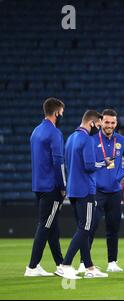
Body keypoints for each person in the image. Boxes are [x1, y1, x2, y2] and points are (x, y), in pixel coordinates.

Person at [76, 109, 124, 273]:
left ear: (116, 123)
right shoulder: (91, 140)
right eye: (107, 122)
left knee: (113, 228)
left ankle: (112, 262)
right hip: (95, 191)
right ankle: (83, 262)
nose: (110, 125)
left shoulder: (121, 141)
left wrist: (121, 174)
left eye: (113, 123)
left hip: (115, 192)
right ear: (101, 122)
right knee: (90, 227)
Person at [55, 110, 108, 279]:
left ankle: (89, 267)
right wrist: (104, 163)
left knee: (83, 227)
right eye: (98, 125)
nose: (99, 129)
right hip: (86, 189)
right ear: (91, 123)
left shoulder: (71, 138)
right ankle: (66, 264)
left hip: (73, 189)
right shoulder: (86, 139)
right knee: (85, 227)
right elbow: (89, 166)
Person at [25, 98, 66, 277]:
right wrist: (63, 186)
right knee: (45, 225)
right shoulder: (54, 133)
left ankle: (61, 264)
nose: (62, 115)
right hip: (51, 187)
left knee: (52, 227)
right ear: (56, 112)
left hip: (38, 185)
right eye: (62, 112)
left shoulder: (36, 131)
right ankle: (32, 267)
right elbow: (59, 162)